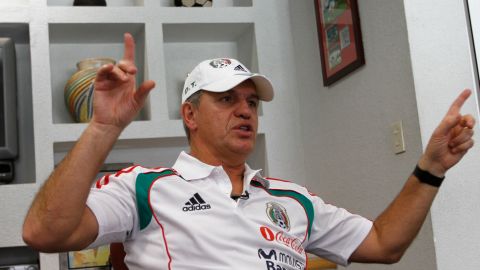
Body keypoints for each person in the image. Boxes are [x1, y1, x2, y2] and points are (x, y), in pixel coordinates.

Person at [22, 33, 475, 269]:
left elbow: (383, 244)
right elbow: (46, 233)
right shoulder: (144, 188)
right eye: (227, 99)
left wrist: (430, 168)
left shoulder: (292, 200)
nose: (245, 111)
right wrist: (104, 127)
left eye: (252, 102)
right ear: (190, 114)